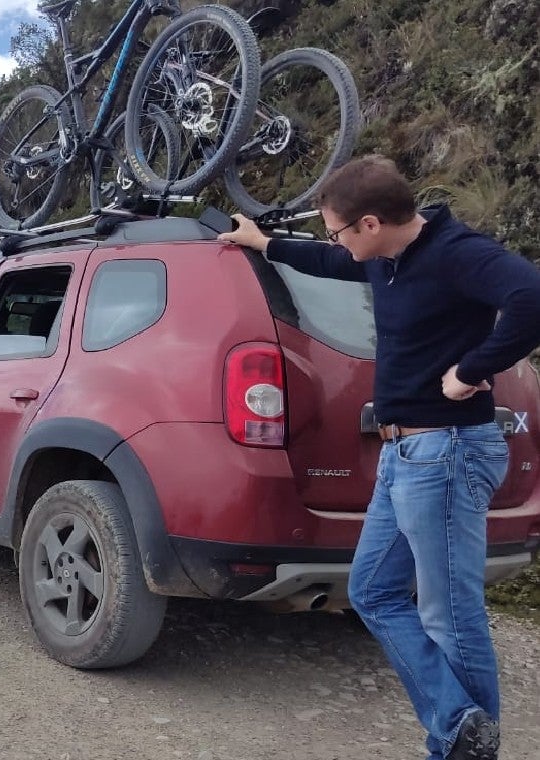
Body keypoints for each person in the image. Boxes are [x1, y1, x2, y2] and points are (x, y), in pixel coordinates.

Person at [218, 154, 540, 760]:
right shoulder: (384, 259)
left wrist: (472, 371)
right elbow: (330, 261)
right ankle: (458, 722)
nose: (334, 241)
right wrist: (265, 244)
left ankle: (466, 749)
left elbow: (531, 296)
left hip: (444, 453)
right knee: (372, 591)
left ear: (370, 223)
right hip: (404, 455)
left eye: (338, 228)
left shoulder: (455, 253)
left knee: (450, 613)